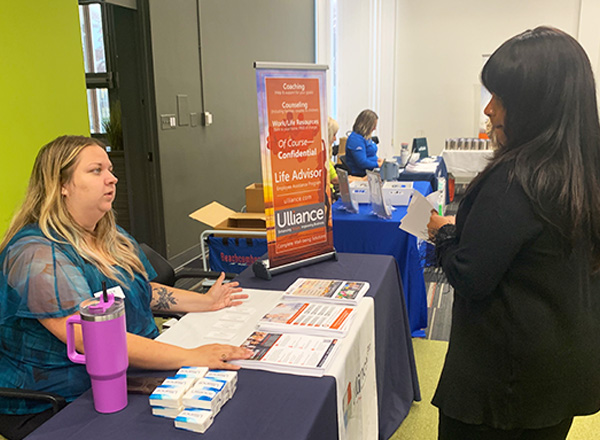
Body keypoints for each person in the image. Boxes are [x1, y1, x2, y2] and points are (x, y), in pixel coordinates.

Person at [0, 135, 252, 440]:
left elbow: (140, 292)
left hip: (129, 375)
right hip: (62, 404)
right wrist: (190, 355)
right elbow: (90, 339)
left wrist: (206, 302)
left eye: (109, 168)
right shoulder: (35, 253)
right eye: (96, 170)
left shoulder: (108, 234)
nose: (112, 177)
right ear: (61, 185)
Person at [427, 27, 600, 440]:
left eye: (500, 98)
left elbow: (471, 275)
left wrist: (445, 235)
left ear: (533, 105)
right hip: (561, 368)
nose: (488, 110)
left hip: (503, 381)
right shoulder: (582, 170)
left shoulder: (516, 179)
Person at [344, 109, 384, 176]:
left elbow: (371, 155)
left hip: (371, 171)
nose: (374, 128)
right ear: (366, 125)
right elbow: (362, 163)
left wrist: (378, 160)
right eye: (373, 126)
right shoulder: (355, 139)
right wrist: (379, 164)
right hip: (361, 174)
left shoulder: (365, 137)